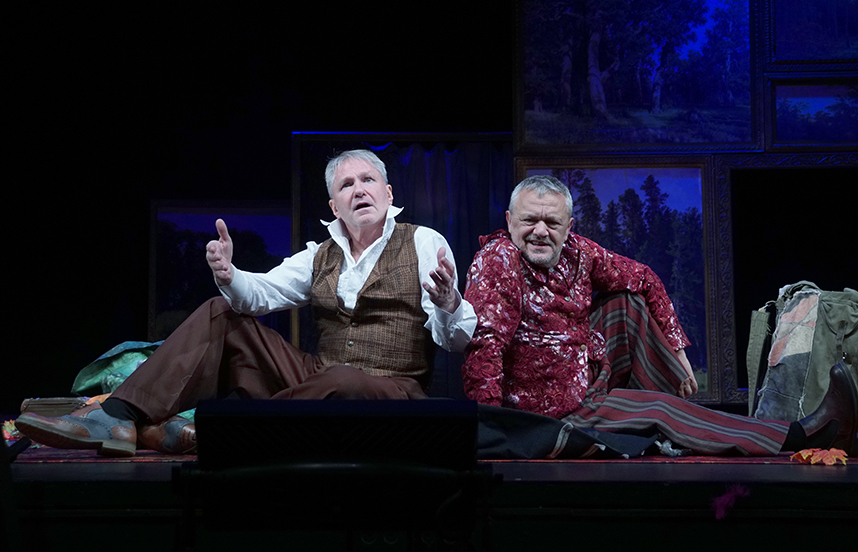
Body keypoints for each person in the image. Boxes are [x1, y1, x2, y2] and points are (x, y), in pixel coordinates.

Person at [17, 149, 477, 456]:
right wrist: (229, 274)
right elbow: (260, 294)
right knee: (223, 312)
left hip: (393, 389)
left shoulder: (423, 242)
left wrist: (447, 302)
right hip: (318, 380)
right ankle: (120, 418)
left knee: (346, 381)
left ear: (388, 193)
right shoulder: (320, 255)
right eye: (347, 185)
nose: (359, 189)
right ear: (334, 205)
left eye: (369, 180)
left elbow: (456, 341)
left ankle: (216, 429)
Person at [462, 175, 857, 456]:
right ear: (510, 221)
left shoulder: (579, 253)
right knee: (661, 412)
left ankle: (667, 415)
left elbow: (644, 277)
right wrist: (495, 432)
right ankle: (799, 434)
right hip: (552, 414)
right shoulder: (498, 262)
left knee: (627, 301)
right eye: (529, 221)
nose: (540, 232)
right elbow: (485, 349)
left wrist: (678, 350)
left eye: (552, 222)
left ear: (569, 226)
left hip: (585, 373)